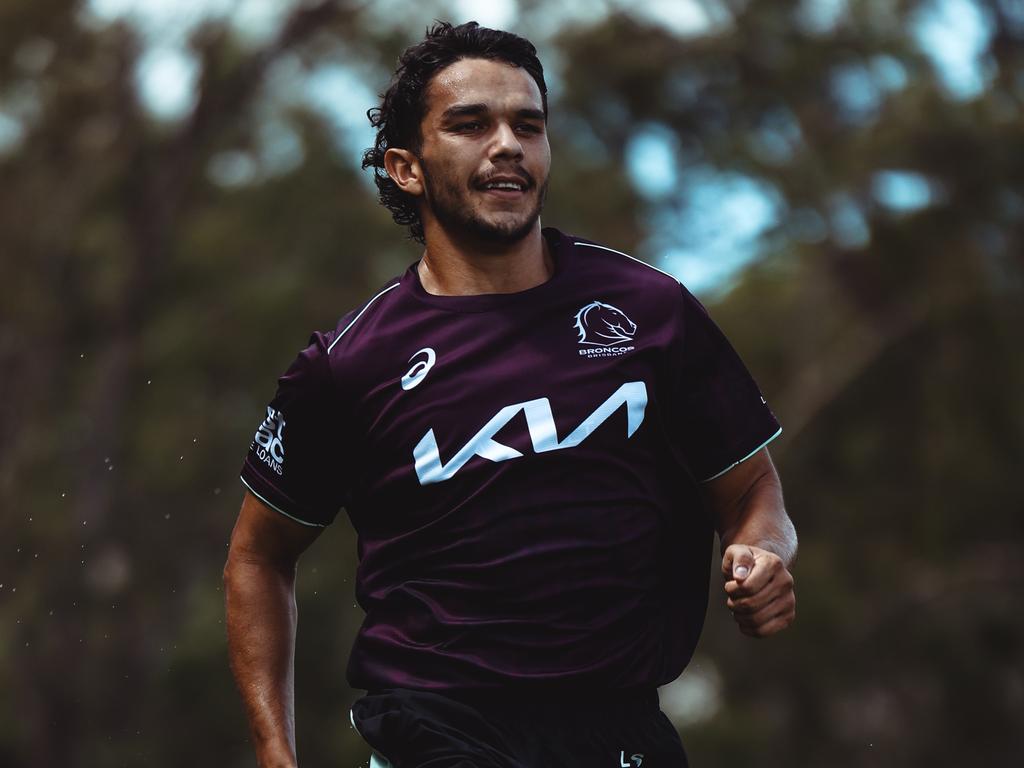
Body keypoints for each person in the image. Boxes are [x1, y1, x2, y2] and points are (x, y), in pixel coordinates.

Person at [224, 20, 797, 768]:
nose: (507, 144)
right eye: (470, 124)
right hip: (438, 731)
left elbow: (752, 489)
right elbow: (256, 559)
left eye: (528, 125)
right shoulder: (349, 365)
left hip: (622, 729)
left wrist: (763, 553)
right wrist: (276, 755)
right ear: (406, 167)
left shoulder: (650, 310)